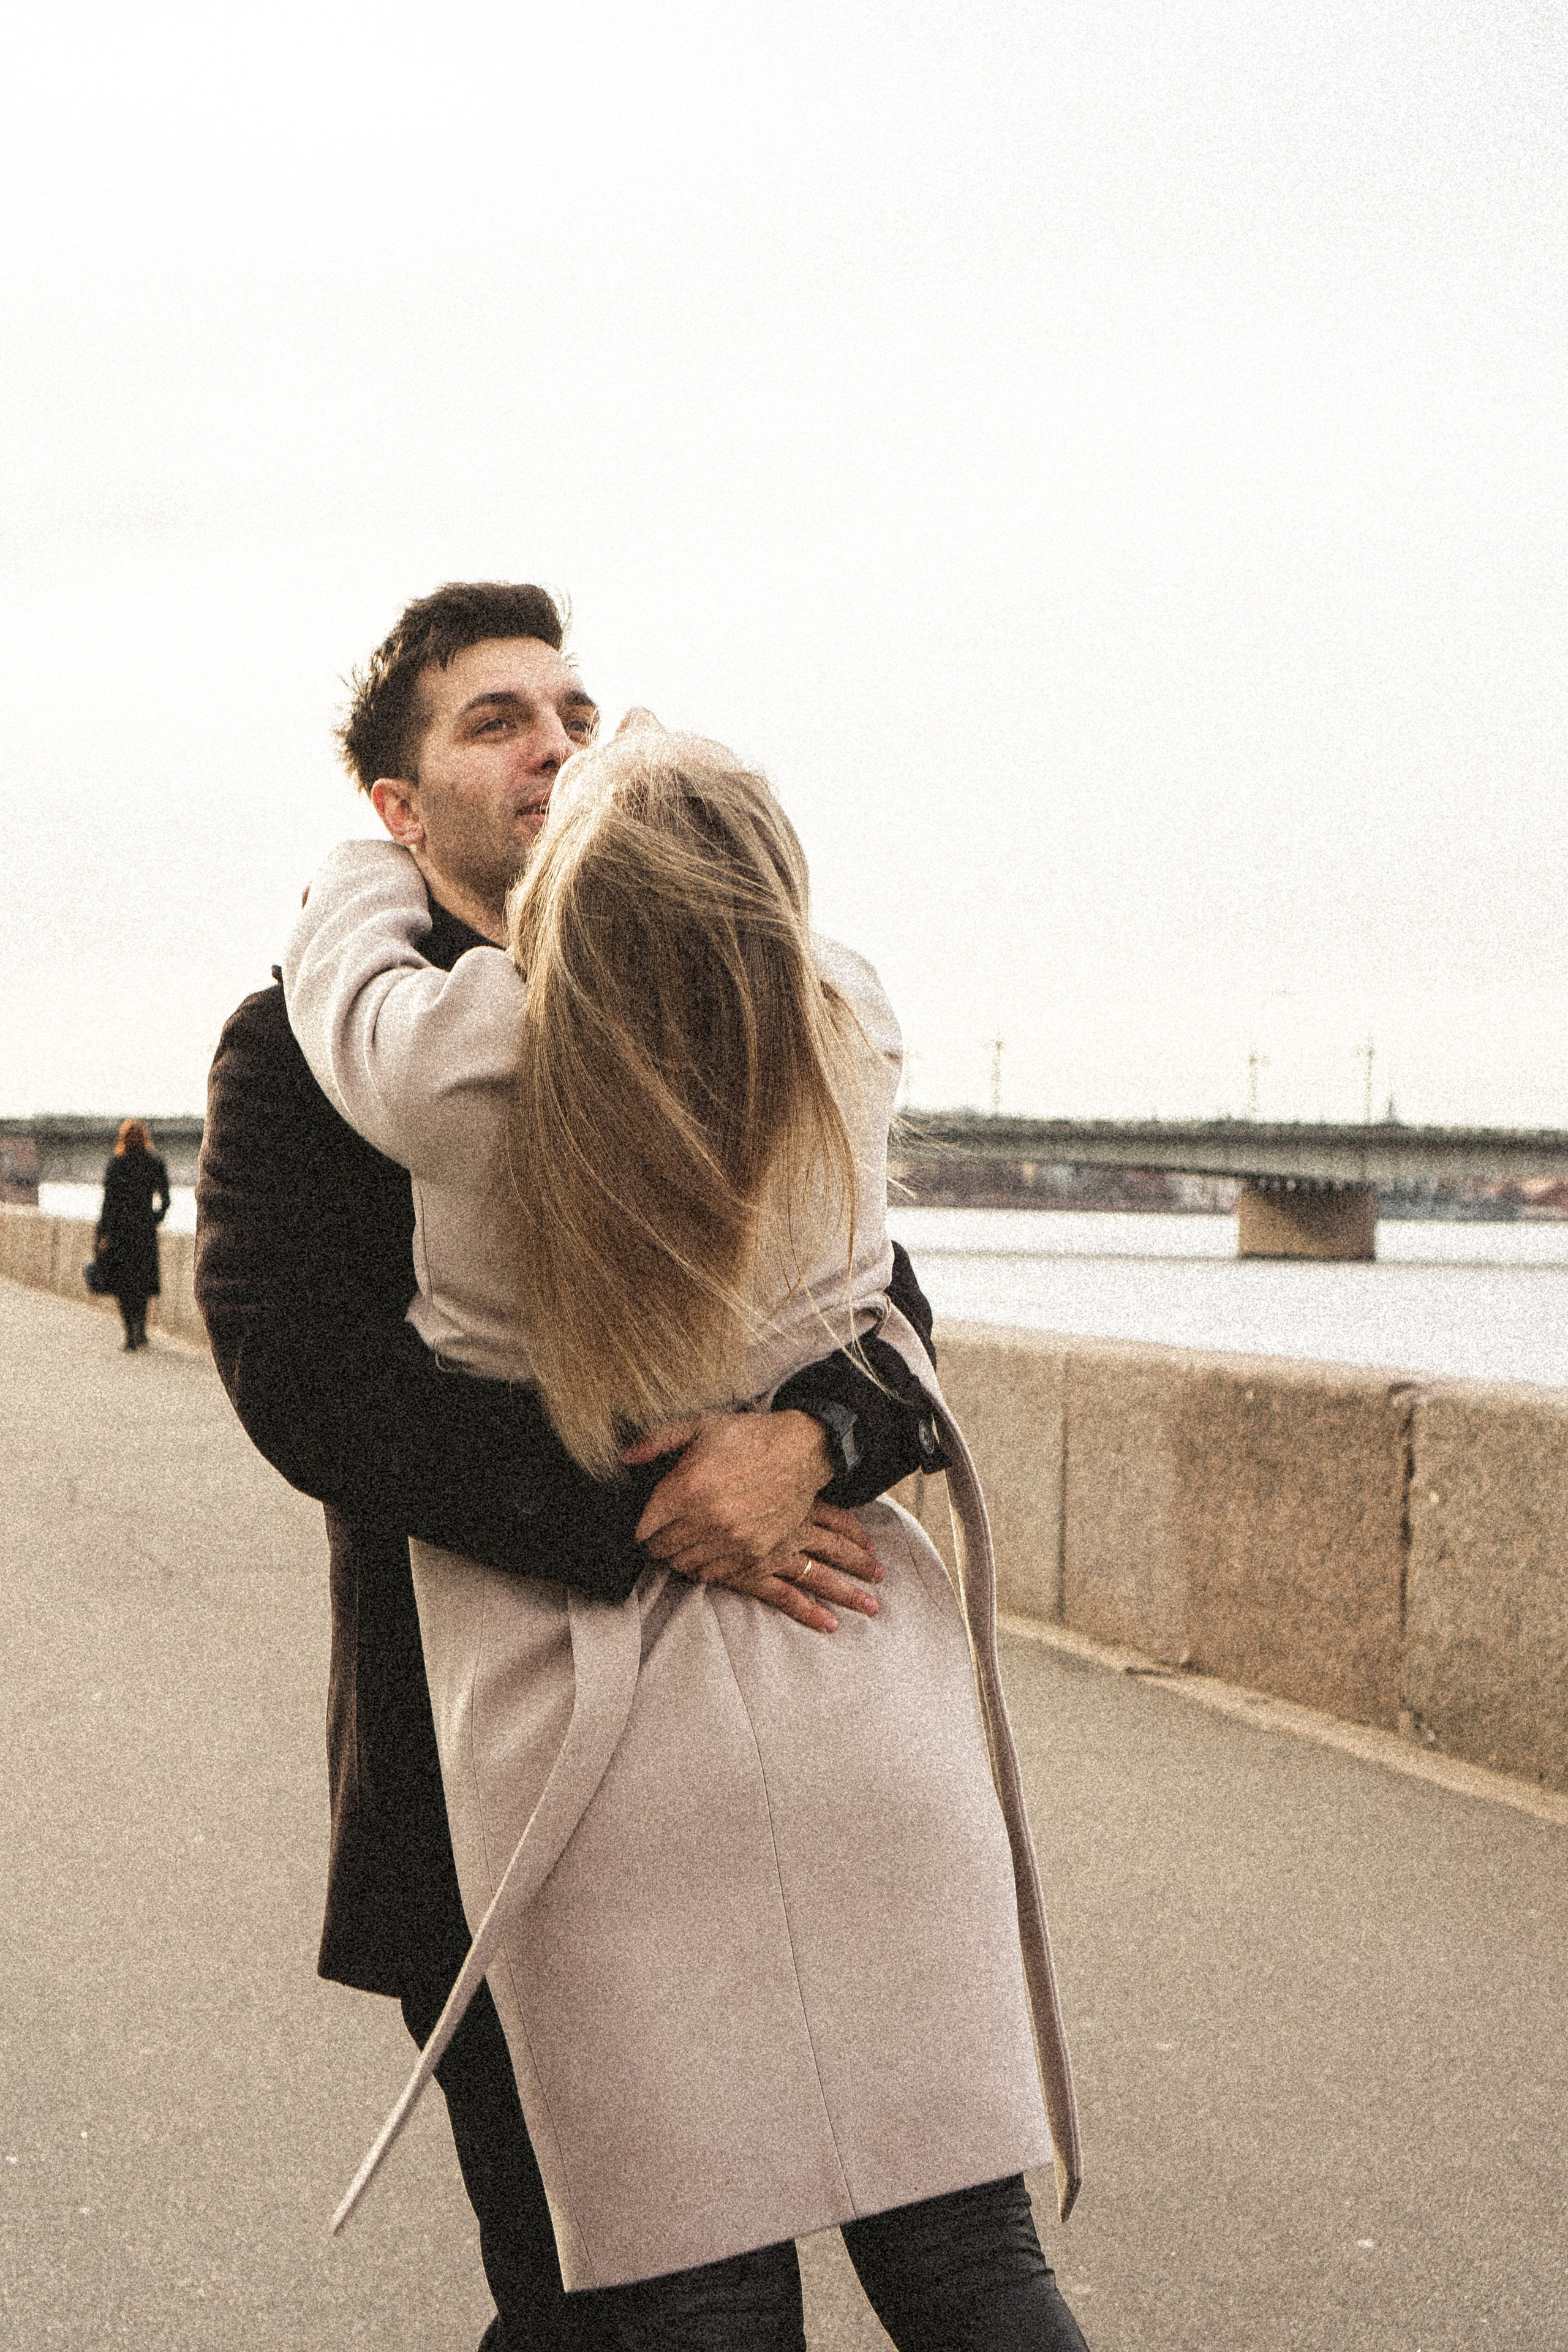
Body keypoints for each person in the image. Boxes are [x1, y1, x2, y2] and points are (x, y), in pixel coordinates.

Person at [194, 581, 948, 2352]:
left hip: (782, 1740)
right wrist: (657, 1512)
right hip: (494, 1766)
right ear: (398, 810)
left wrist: (811, 1443)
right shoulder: (300, 1054)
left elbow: (890, 1308)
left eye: (572, 710)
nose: (554, 744)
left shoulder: (732, 997)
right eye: (494, 719)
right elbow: (304, 1381)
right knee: (591, 2298)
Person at [283, 726, 1089, 2352]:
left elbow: (337, 982)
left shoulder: (465, 1062)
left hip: (602, 1745)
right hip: (854, 1671)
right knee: (968, 2253)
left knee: (699, 2290)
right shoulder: (848, 1023)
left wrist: (380, 852)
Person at [97, 1118, 170, 1350]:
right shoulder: (155, 1163)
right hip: (144, 1232)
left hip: (120, 1233)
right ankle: (142, 1330)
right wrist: (155, 1218)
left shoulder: (116, 1164)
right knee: (142, 1282)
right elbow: (166, 1200)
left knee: (123, 1284)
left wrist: (101, 1235)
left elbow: (108, 1205)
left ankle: (129, 1335)